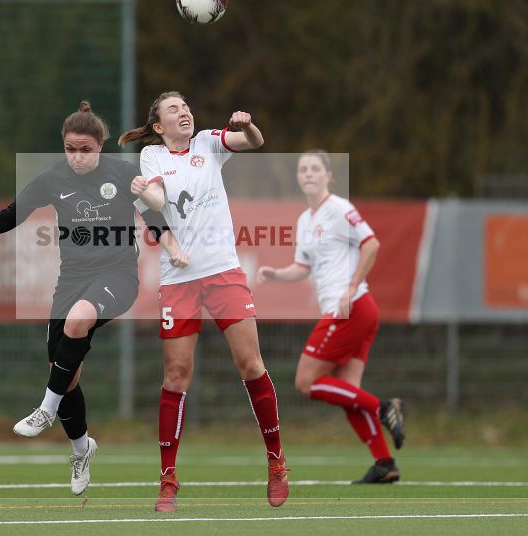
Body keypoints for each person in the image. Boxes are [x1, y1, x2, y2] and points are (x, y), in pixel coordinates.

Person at [0, 101, 185, 496]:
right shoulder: (52, 177)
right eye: (70, 149)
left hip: (117, 277)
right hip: (71, 281)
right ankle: (82, 449)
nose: (77, 157)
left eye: (85, 150)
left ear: (100, 146)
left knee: (77, 321)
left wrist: (172, 247)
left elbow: (153, 217)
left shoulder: (122, 173)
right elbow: (12, 214)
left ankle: (45, 410)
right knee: (65, 374)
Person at [120, 91, 289, 512]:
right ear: (158, 125)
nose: (184, 112)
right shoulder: (152, 156)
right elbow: (156, 203)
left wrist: (247, 125)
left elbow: (255, 142)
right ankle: (168, 479)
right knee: (176, 375)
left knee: (250, 364)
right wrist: (144, 193)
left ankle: (276, 462)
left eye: (185, 107)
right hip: (179, 280)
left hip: (222, 271)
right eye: (173, 109)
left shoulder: (209, 142)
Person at [257, 149, 405, 484]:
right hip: (354, 311)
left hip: (351, 308)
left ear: (328, 175)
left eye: (315, 168)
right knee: (348, 393)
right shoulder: (305, 220)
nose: (308, 174)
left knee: (305, 381)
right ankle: (384, 463)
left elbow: (371, 244)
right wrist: (276, 274)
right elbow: (302, 267)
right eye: (303, 169)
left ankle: (384, 407)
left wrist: (351, 287)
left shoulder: (339, 208)